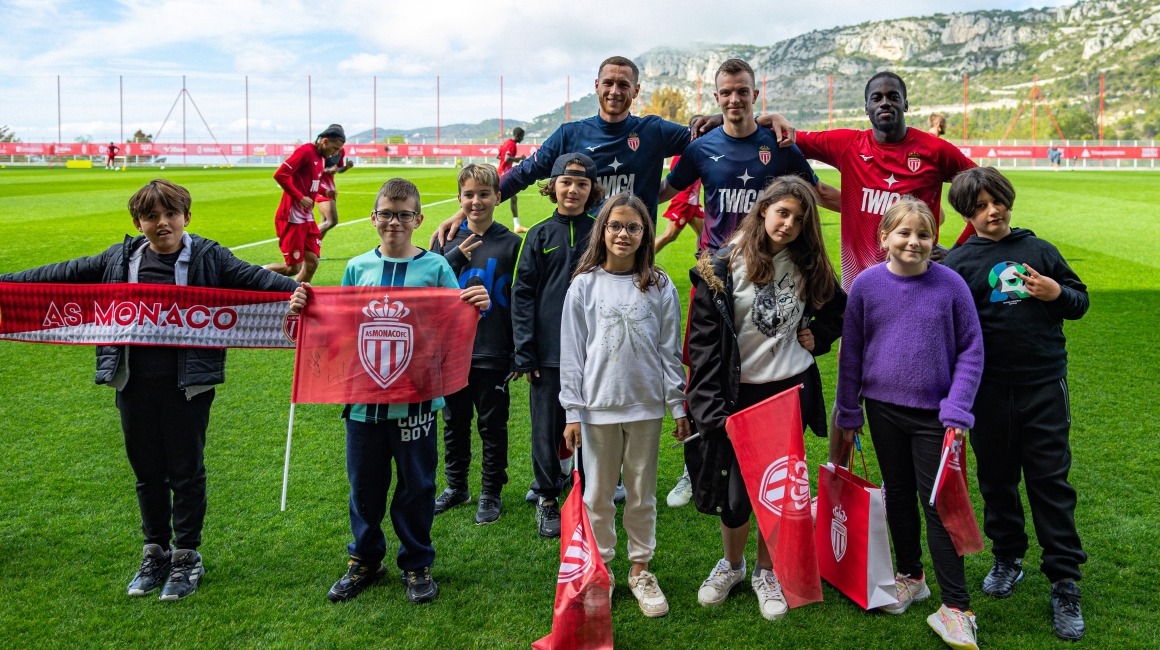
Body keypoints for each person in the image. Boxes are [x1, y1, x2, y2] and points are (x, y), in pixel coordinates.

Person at [0, 179, 304, 601]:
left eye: (170, 214)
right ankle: (154, 552)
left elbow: (258, 280)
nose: (162, 223)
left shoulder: (209, 256)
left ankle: (186, 557)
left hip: (188, 386)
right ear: (138, 222)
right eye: (151, 216)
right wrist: (6, 284)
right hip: (133, 381)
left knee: (186, 471)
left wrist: (302, 294)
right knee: (147, 473)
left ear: (186, 217)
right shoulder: (119, 259)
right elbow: (61, 274)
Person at [685, 176, 844, 622]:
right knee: (735, 494)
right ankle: (732, 566)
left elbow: (838, 308)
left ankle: (765, 571)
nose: (789, 223)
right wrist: (708, 405)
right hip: (739, 395)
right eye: (782, 212)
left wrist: (819, 336)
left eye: (798, 217)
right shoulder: (722, 265)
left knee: (775, 492)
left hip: (787, 389)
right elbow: (702, 344)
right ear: (762, 210)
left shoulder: (809, 263)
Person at [326, 178, 490, 605]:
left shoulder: (435, 268)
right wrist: (306, 311)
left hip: (417, 397)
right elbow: (341, 327)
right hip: (363, 400)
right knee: (364, 486)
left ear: (418, 219)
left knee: (416, 485)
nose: (393, 222)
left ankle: (416, 563)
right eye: (386, 214)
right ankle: (364, 559)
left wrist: (476, 303)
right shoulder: (357, 267)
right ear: (373, 218)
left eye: (403, 215)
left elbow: (453, 324)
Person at [943, 167, 1089, 641]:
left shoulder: (1039, 250)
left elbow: (1079, 301)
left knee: (1050, 480)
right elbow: (955, 331)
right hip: (989, 391)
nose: (993, 211)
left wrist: (1055, 292)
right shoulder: (961, 263)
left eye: (997, 201)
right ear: (968, 213)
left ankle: (1065, 580)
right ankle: (1008, 558)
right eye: (981, 206)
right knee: (997, 479)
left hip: (1044, 385)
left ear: (1008, 200)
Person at [835, 198, 984, 650]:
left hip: (935, 416)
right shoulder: (865, 285)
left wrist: (957, 410)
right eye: (903, 233)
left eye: (923, 235)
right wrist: (847, 411)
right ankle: (911, 576)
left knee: (939, 504)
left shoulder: (951, 285)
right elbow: (853, 351)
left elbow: (972, 350)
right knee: (897, 495)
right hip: (882, 410)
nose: (913, 242)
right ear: (884, 239)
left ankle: (957, 607)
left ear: (933, 240)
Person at [559, 192, 690, 618]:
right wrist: (572, 411)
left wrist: (678, 405)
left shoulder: (660, 284)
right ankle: (602, 569)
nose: (623, 234)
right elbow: (572, 353)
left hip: (646, 406)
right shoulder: (584, 284)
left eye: (633, 227)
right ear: (603, 230)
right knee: (597, 495)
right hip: (598, 408)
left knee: (641, 492)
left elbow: (671, 351)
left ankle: (640, 569)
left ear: (645, 234)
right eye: (616, 225)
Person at [794, 72, 976, 291]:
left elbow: (990, 189)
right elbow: (791, 139)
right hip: (860, 288)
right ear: (866, 108)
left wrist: (958, 251)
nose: (885, 103)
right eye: (877, 98)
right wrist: (774, 122)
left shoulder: (935, 150)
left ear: (905, 104)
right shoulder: (848, 145)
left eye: (893, 96)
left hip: (919, 285)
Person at [511, 153, 604, 538]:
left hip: (595, 349)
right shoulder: (538, 235)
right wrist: (524, 350)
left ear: (591, 191)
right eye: (566, 183)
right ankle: (549, 495)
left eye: (582, 184)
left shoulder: (601, 230)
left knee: (596, 422)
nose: (573, 190)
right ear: (553, 187)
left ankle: (592, 489)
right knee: (546, 426)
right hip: (548, 352)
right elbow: (522, 294)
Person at [430, 164, 522, 525]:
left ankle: (490, 491)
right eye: (469, 195)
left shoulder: (512, 244)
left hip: (493, 348)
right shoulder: (444, 240)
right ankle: (456, 486)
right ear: (459, 199)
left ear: (498, 197)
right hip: (452, 350)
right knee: (454, 421)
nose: (476, 201)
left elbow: (520, 300)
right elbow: (428, 292)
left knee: (492, 424)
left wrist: (517, 348)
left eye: (484, 194)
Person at [660, 58, 825, 257]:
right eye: (726, 93)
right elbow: (663, 191)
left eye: (742, 91)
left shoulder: (780, 145)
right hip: (714, 266)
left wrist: (865, 207)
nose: (734, 99)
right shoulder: (700, 148)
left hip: (763, 263)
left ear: (754, 95)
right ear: (717, 98)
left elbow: (820, 192)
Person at [265, 124, 345, 283]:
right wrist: (299, 197)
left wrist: (324, 191)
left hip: (307, 219)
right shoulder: (305, 151)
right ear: (325, 141)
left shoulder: (320, 158)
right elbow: (280, 174)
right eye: (335, 148)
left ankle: (296, 298)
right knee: (292, 268)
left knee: (312, 263)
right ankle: (252, 274)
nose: (336, 153)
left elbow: (313, 182)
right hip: (292, 218)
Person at [654, 155, 704, 253]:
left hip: (694, 202)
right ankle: (643, 261)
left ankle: (702, 264)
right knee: (670, 235)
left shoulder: (698, 148)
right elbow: (674, 172)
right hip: (683, 200)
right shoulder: (685, 152)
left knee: (705, 235)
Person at [315, 142, 354, 240]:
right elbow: (312, 167)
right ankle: (305, 240)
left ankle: (314, 252)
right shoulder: (321, 150)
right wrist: (326, 170)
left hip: (330, 185)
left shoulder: (341, 151)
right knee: (332, 221)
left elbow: (338, 169)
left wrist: (346, 167)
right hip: (320, 184)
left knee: (325, 220)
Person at [497, 126, 529, 233]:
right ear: (518, 135)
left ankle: (517, 225)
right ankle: (517, 226)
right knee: (496, 199)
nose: (522, 139)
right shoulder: (511, 144)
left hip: (501, 171)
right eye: (522, 136)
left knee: (512, 197)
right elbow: (507, 158)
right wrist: (520, 159)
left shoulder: (505, 143)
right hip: (505, 173)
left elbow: (499, 156)